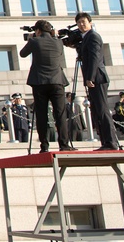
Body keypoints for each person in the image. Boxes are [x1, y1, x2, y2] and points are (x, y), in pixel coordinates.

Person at [19, 19, 74, 152]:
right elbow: (59, 54)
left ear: (37, 30)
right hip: (57, 81)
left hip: (39, 82)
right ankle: (64, 145)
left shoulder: (34, 41)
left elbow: (22, 54)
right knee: (60, 114)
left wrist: (32, 38)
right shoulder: (58, 42)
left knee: (42, 115)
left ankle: (44, 146)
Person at [74, 12, 119, 150]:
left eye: (84, 22)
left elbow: (94, 58)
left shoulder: (93, 36)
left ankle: (111, 142)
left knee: (103, 110)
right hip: (93, 77)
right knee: (97, 111)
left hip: (97, 77)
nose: (82, 25)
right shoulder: (85, 38)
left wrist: (90, 77)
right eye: (79, 22)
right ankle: (105, 142)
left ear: (90, 22)